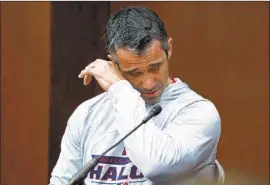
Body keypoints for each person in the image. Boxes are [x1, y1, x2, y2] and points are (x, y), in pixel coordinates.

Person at [49, 6, 225, 185]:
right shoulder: (87, 114)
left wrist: (120, 88)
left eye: (155, 67)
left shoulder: (198, 112)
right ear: (114, 64)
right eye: (134, 73)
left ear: (169, 49)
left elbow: (156, 165)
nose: (148, 83)